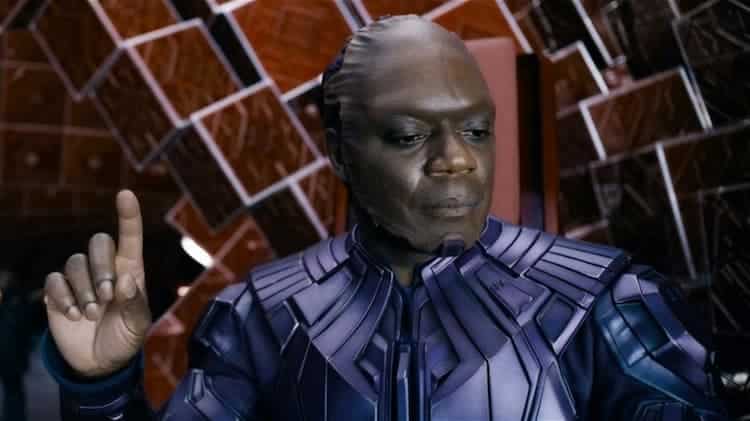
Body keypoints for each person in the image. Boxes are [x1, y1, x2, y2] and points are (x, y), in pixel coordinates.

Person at [42, 15, 727, 421]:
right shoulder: (260, 320)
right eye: (408, 135)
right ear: (340, 150)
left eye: (477, 131)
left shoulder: (605, 302)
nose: (456, 160)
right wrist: (102, 388)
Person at [0, 270, 34, 421]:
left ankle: (14, 417)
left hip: (13, 354)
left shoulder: (17, 298)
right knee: (13, 390)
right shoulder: (13, 299)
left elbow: (24, 326)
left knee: (14, 391)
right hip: (8, 353)